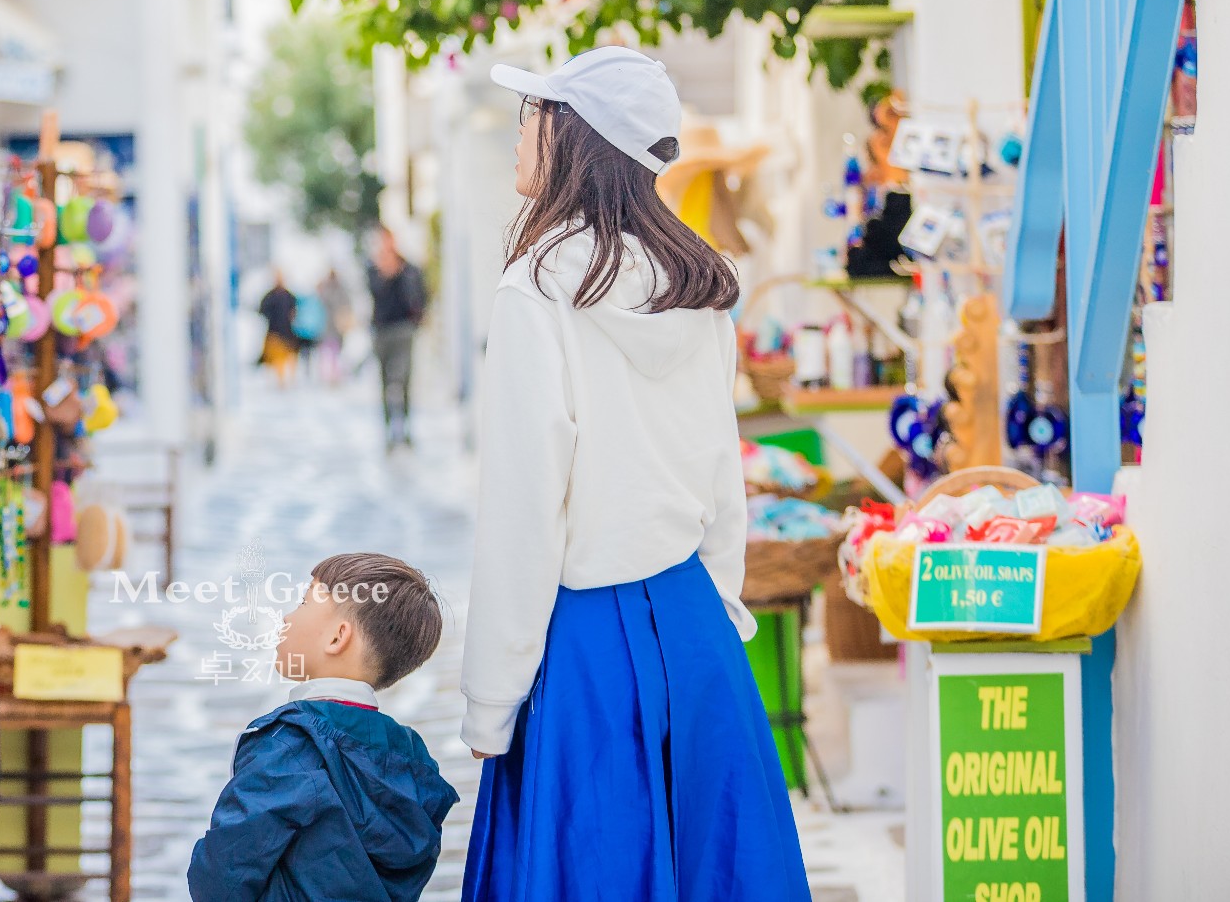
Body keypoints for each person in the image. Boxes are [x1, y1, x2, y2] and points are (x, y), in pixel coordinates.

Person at [460, 47, 808, 902]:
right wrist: (717, 609)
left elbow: (522, 510)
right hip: (694, 627)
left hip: (584, 646)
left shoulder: (536, 290)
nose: (519, 133)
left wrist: (489, 699)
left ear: (576, 137)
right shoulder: (696, 288)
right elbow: (722, 478)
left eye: (533, 113)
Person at [188, 553, 457, 902]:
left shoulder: (290, 743)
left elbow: (222, 874)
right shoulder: (412, 757)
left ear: (337, 638)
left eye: (303, 602)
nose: (287, 616)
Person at [365, 226, 427, 446]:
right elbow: (375, 293)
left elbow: (419, 294)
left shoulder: (409, 268)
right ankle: (389, 428)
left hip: (403, 329)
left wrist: (418, 319)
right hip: (381, 330)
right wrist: (385, 272)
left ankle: (406, 426)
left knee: (402, 379)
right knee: (384, 381)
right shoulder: (373, 269)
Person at [256, 273, 300, 387]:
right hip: (275, 331)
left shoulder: (289, 296)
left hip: (287, 331)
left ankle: (288, 379)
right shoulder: (270, 296)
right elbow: (262, 310)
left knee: (288, 357)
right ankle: (280, 381)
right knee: (277, 358)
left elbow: (295, 311)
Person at [315, 269, 354, 382]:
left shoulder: (338, 290)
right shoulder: (330, 290)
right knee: (329, 352)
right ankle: (329, 375)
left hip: (336, 326)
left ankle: (334, 375)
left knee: (334, 352)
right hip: (328, 326)